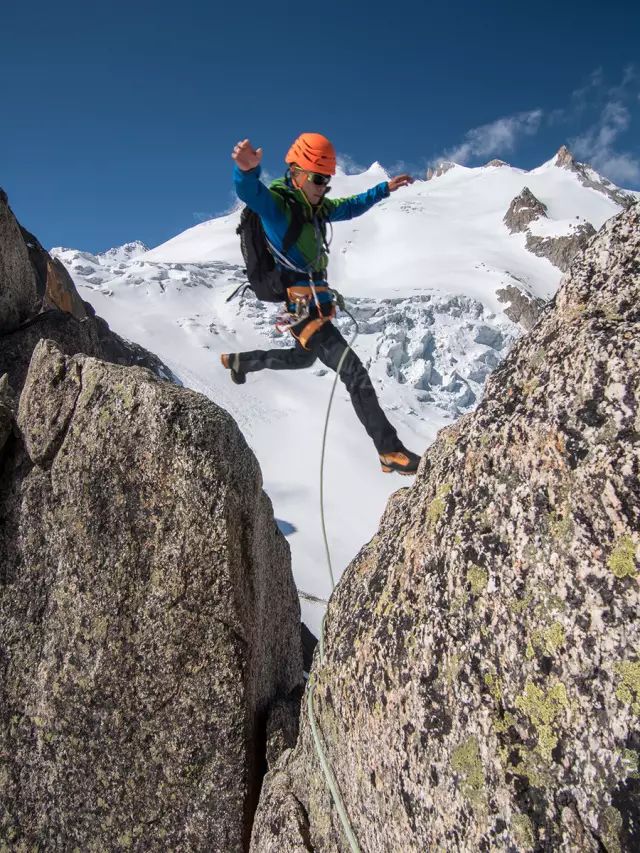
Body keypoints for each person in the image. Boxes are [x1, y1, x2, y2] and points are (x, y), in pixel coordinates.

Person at [222, 132, 422, 475]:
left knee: (301, 360)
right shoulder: (279, 208)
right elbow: (251, 194)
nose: (323, 186)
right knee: (354, 371)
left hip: (315, 308)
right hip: (301, 311)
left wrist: (383, 190)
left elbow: (350, 206)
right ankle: (388, 449)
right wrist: (246, 172)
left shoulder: (318, 210)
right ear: (296, 172)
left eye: (326, 179)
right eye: (317, 178)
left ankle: (241, 362)